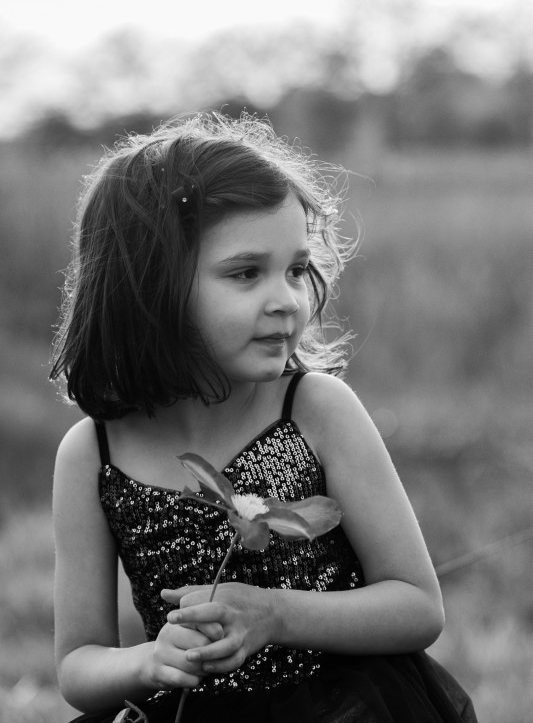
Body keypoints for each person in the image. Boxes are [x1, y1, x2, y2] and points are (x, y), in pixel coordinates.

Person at [51, 112, 477, 722]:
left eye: (297, 269)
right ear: (147, 287)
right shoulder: (93, 454)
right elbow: (77, 664)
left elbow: (417, 606)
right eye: (246, 273)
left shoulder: (317, 410)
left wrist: (274, 614)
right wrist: (149, 662)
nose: (288, 301)